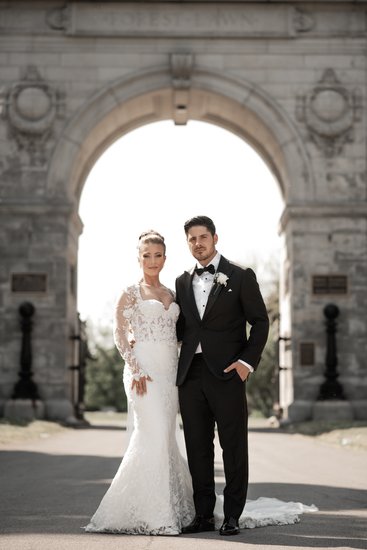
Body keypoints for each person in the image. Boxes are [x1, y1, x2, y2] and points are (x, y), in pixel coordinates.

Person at [85, 230, 195, 535]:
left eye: (158, 255)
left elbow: (181, 333)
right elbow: (120, 333)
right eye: (147, 255)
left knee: (166, 437)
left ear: (165, 258)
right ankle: (155, 514)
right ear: (138, 257)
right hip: (142, 372)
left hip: (169, 372)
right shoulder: (129, 293)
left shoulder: (172, 294)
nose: (152, 261)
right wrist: (134, 368)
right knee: (154, 432)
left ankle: (173, 505)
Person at [175, 215, 270, 536]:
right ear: (187, 242)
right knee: (197, 448)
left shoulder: (240, 276)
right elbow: (181, 329)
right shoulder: (181, 281)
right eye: (192, 239)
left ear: (215, 238)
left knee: (233, 447)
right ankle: (203, 516)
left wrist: (246, 363)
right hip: (191, 375)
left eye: (203, 237)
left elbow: (260, 322)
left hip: (229, 373)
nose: (198, 243)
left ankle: (231, 516)